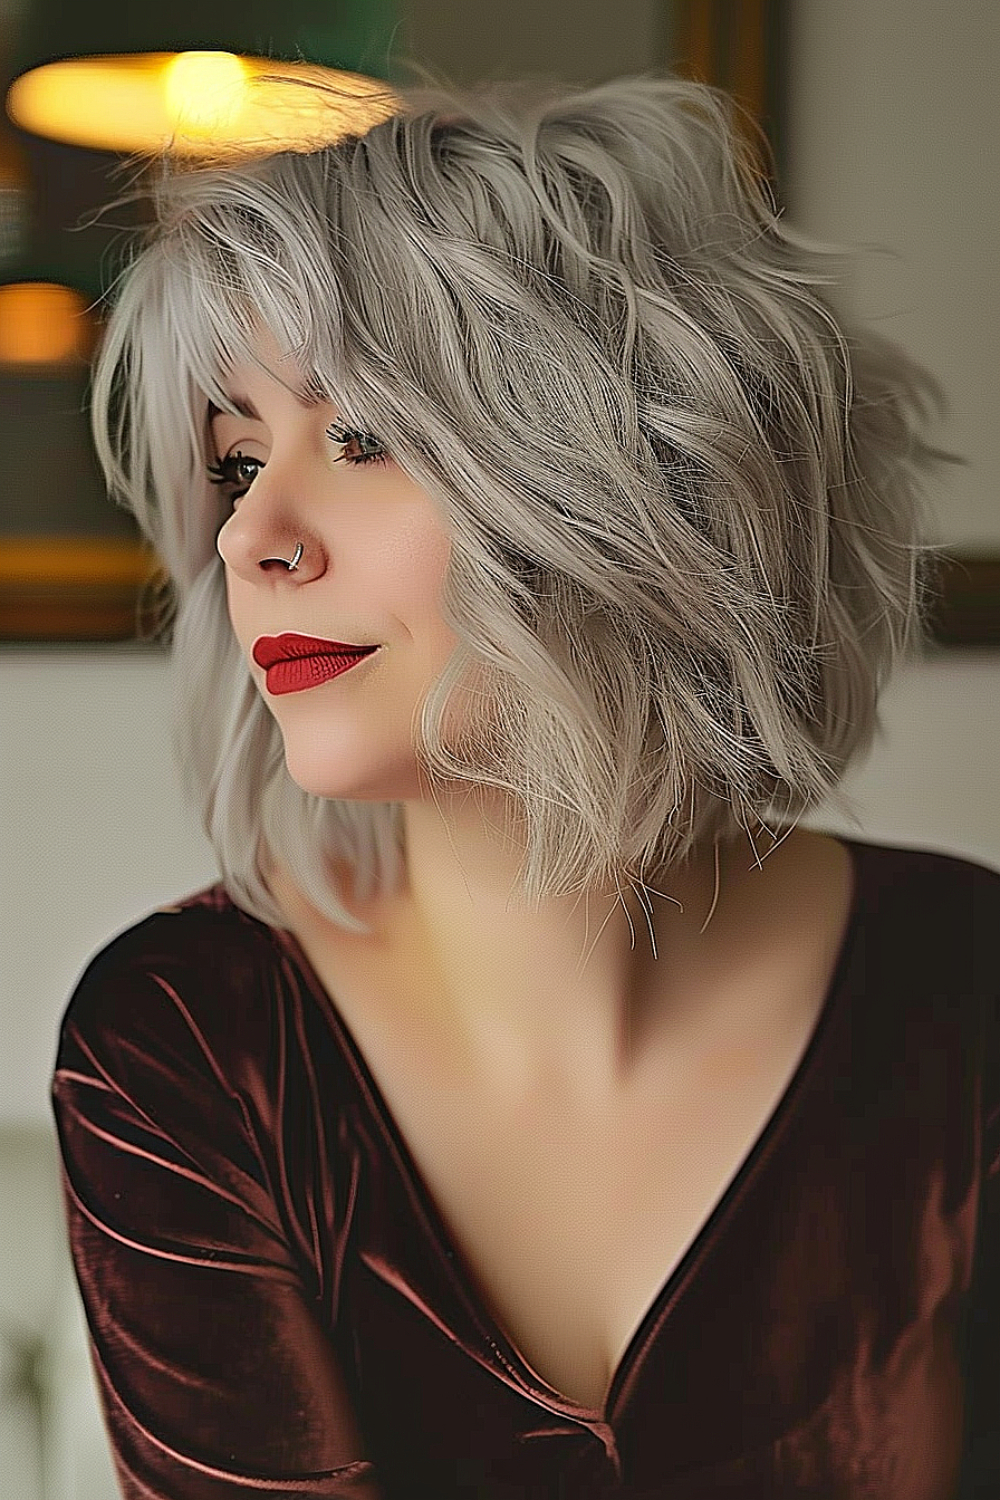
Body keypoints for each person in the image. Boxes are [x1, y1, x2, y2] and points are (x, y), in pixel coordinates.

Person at [52, 71, 999, 1499]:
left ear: (631, 476)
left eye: (362, 436)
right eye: (238, 458)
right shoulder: (186, 1044)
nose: (253, 537)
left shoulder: (965, 988)